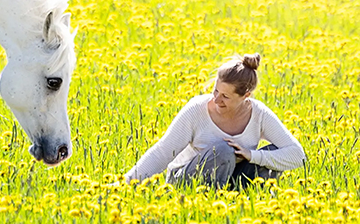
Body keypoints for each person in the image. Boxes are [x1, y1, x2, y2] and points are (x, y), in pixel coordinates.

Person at [124, 53, 306, 189]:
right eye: (216, 90)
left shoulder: (259, 114)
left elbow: (298, 156)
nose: (216, 99)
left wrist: (252, 155)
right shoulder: (197, 109)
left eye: (225, 96)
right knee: (224, 150)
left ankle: (236, 204)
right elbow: (162, 152)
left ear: (246, 96)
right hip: (185, 180)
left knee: (272, 156)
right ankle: (208, 200)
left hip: (231, 179)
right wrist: (126, 184)